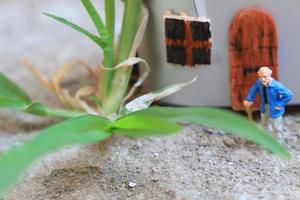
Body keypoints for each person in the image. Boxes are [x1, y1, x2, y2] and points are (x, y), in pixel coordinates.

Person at [243, 66, 293, 135]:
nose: (263, 79)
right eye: (260, 77)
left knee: (277, 127)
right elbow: (254, 89)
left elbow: (289, 94)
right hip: (264, 107)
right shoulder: (259, 82)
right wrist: (249, 99)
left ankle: (277, 142)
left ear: (270, 74)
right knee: (264, 124)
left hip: (275, 108)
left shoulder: (276, 85)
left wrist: (280, 104)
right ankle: (265, 139)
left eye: (265, 77)